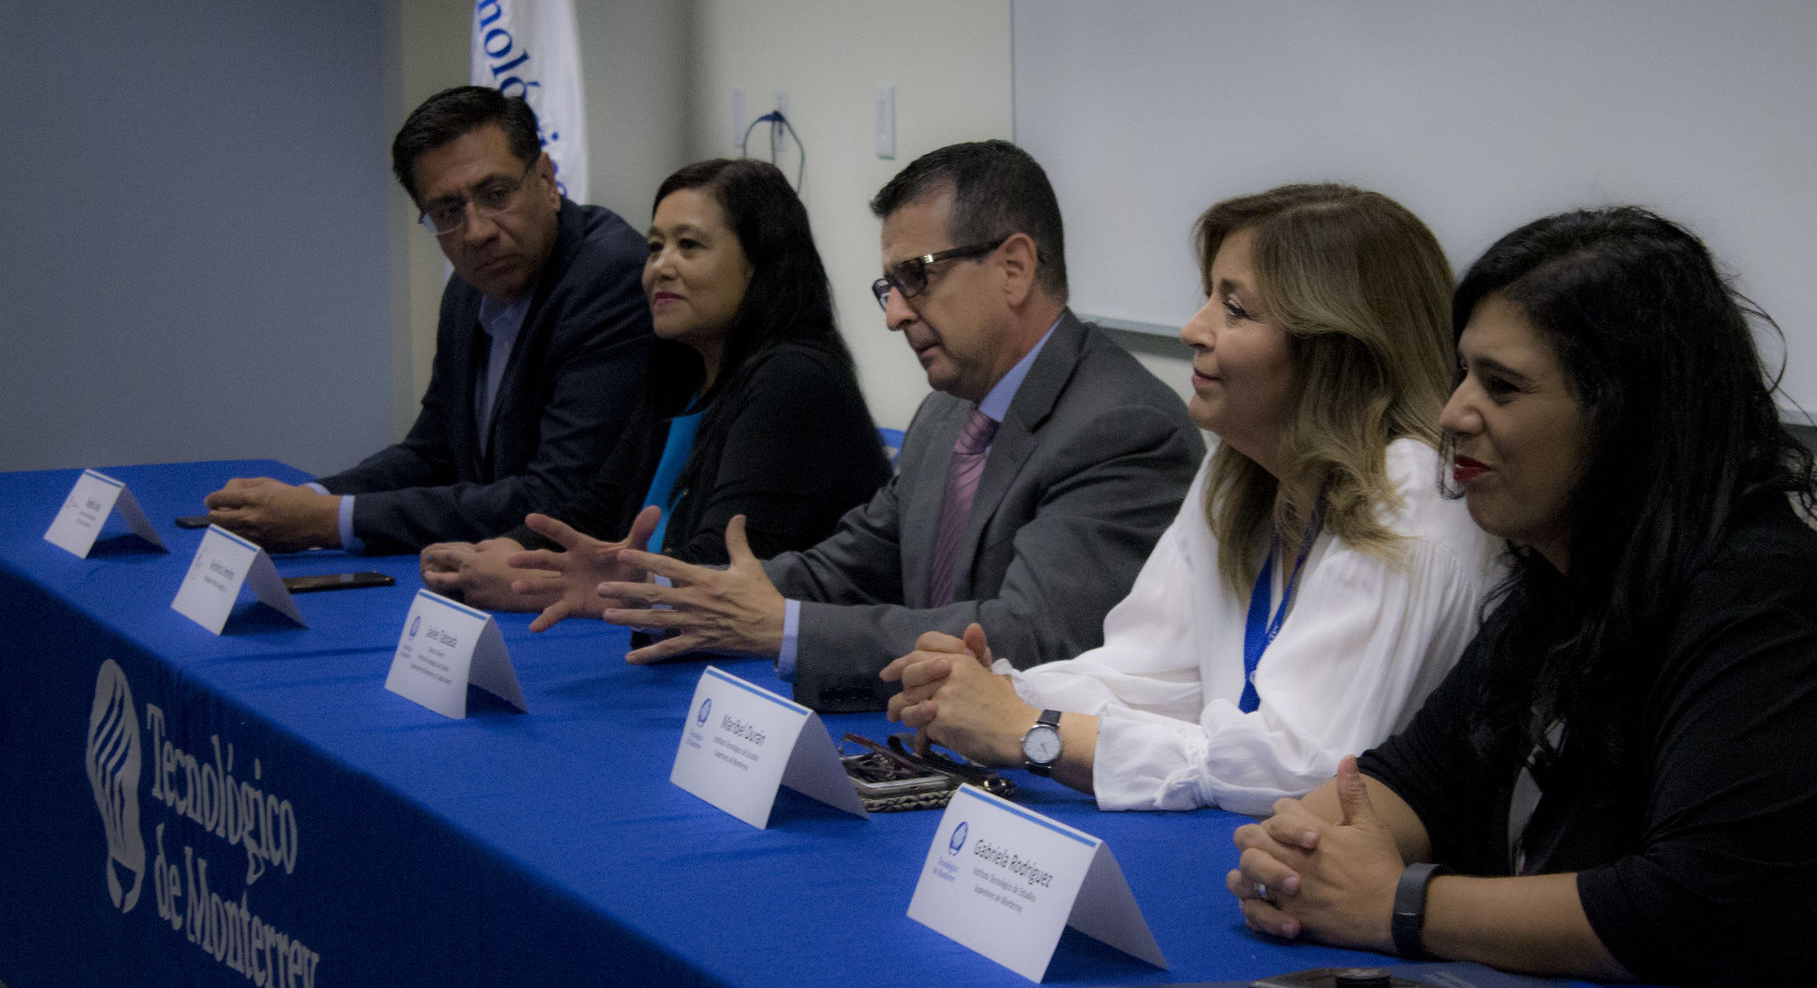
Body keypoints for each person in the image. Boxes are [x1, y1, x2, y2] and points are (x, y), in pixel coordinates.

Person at [1227, 207, 1817, 988]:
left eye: (1502, 387)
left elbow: (1685, 909)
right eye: (1460, 375)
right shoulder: (1563, 580)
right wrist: (1304, 850)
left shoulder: (1774, 606)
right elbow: (1414, 782)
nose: (1453, 414)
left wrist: (1397, 905)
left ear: (1627, 414)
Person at [515, 141, 1204, 712]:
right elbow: (846, 568)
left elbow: (1030, 634)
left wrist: (783, 628)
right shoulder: (945, 414)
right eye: (888, 286)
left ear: (1015, 268)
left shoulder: (1123, 426)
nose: (894, 315)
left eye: (917, 277)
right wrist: (655, 590)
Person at [881, 185, 1497, 815]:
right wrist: (995, 690)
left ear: (1334, 348)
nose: (1192, 329)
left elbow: (1303, 768)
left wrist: (1032, 730)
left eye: (1235, 310)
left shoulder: (1416, 494)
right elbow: (1145, 675)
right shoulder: (1237, 474)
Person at [417, 159, 890, 611]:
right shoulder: (683, 373)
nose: (660, 267)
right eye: (654, 247)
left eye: (688, 246)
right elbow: (594, 512)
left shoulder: (795, 380)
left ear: (762, 262)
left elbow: (718, 568)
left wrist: (533, 583)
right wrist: (503, 550)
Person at [201, 86, 653, 554]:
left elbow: (555, 499)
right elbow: (433, 453)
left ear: (545, 179)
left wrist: (331, 521)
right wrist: (312, 498)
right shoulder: (468, 289)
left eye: (496, 194)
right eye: (448, 211)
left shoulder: (610, 277)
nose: (476, 232)